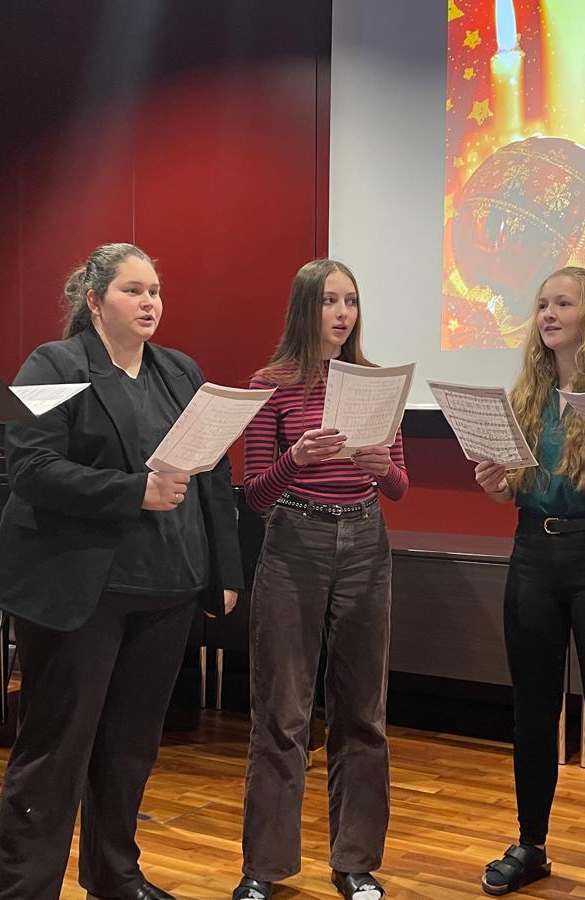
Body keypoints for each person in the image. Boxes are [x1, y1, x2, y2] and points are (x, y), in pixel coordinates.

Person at [0, 243, 242, 900]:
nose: (150, 302)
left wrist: (225, 569)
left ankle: (114, 874)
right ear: (95, 300)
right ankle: (24, 890)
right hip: (80, 589)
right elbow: (30, 468)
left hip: (168, 584)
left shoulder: (181, 371)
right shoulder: (52, 363)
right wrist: (134, 492)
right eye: (133, 290)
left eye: (155, 290)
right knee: (55, 749)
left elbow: (214, 474)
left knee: (130, 748)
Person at [474, 266, 585, 900]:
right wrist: (496, 486)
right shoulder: (525, 394)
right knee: (532, 713)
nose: (549, 315)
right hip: (532, 554)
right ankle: (531, 845)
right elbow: (512, 493)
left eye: (563, 304)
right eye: (542, 304)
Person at [234, 259, 409, 900]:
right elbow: (254, 494)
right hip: (295, 540)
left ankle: (355, 862)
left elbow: (399, 486)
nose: (342, 313)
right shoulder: (271, 384)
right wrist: (295, 458)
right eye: (330, 301)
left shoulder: (374, 382)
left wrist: (381, 466)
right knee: (282, 712)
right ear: (304, 308)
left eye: (351, 301)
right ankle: (266, 867)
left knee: (362, 711)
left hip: (364, 539)